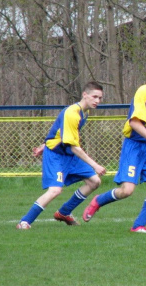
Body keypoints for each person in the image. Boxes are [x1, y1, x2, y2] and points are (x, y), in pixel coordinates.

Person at [82, 55, 146, 233]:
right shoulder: (144, 92)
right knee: (127, 191)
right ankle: (98, 200)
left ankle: (138, 225)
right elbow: (135, 123)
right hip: (135, 146)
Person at [16, 82, 107, 229]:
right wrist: (95, 164)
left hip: (69, 155)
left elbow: (59, 130)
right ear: (85, 95)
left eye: (100, 98)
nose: (97, 101)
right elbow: (74, 147)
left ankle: (64, 212)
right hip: (57, 156)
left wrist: (45, 144)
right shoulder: (72, 113)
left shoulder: (84, 112)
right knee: (55, 190)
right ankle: (25, 222)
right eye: (94, 97)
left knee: (94, 182)